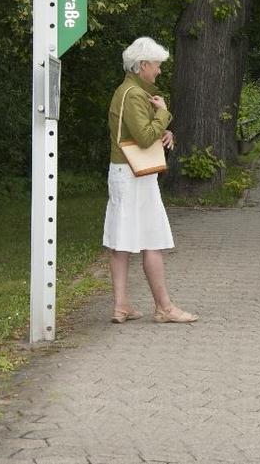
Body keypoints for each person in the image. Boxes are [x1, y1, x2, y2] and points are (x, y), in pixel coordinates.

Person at [102, 37, 198, 324]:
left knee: (121, 241)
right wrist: (164, 114)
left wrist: (164, 132)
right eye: (156, 65)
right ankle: (164, 308)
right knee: (151, 239)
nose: (159, 70)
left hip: (124, 172)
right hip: (135, 176)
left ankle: (122, 306)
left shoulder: (128, 91)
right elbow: (144, 137)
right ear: (143, 64)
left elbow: (139, 133)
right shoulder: (133, 94)